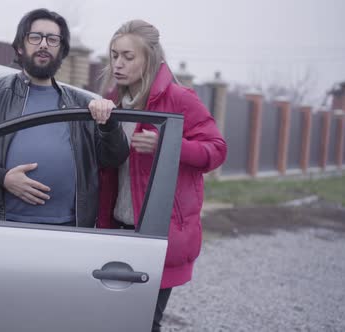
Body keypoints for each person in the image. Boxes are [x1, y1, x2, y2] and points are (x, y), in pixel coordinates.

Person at [91, 20, 227, 331]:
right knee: (111, 321)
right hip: (117, 229)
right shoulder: (111, 103)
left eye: (128, 56)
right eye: (114, 56)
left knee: (143, 323)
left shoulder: (180, 99)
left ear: (150, 59)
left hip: (156, 233)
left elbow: (217, 150)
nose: (118, 64)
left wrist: (167, 143)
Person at [0, 8, 129, 227]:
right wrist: (1, 177)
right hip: (2, 227)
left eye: (52, 39)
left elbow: (114, 158)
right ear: (21, 47)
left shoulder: (82, 104)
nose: (43, 44)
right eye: (35, 37)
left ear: (62, 50)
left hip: (71, 229)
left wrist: (108, 123)